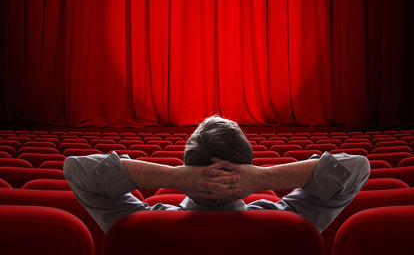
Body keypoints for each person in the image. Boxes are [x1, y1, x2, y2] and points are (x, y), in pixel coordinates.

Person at [63, 116, 370, 234]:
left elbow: (76, 170)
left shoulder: (141, 224)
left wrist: (172, 178)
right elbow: (356, 168)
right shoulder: (289, 223)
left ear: (185, 167)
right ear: (247, 168)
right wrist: (262, 179)